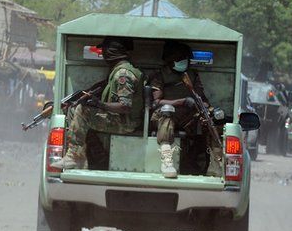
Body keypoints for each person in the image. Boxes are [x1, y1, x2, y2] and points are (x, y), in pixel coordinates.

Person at [52, 37, 144, 170]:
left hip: (125, 122)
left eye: (105, 50)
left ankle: (74, 157)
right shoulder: (118, 71)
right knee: (75, 111)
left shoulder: (123, 74)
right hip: (121, 119)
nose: (103, 54)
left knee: (82, 112)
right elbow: (105, 87)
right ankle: (96, 156)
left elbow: (125, 106)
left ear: (111, 52)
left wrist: (100, 105)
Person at [150, 41, 223, 178]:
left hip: (187, 117)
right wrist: (182, 102)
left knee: (211, 121)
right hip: (164, 116)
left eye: (186, 59)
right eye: (180, 59)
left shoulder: (192, 75)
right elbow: (157, 102)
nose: (185, 62)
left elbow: (201, 97)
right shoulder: (160, 75)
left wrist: (207, 110)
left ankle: (214, 164)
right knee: (167, 113)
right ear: (170, 60)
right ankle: (167, 161)